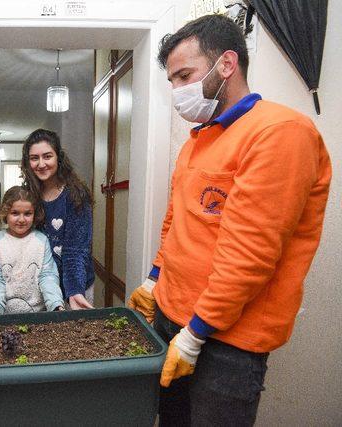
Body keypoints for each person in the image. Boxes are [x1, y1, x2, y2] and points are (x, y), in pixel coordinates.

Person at [127, 15, 331, 426]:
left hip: (223, 343)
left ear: (226, 64)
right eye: (171, 81)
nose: (177, 91)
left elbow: (250, 255)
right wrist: (154, 278)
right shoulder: (198, 141)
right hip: (172, 318)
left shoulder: (280, 133)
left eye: (184, 75)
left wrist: (196, 332)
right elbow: (177, 222)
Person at [21, 129, 95, 310]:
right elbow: (19, 237)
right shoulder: (27, 195)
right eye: (34, 158)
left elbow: (76, 250)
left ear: (58, 158)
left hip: (74, 288)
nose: (41, 164)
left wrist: (74, 290)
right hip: (38, 288)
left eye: (47, 156)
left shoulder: (76, 195)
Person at [0, 186, 64, 314]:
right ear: (6, 213)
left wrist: (55, 303)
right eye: (15, 213)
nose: (21, 220)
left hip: (39, 313)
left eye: (27, 214)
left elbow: (48, 275)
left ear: (34, 214)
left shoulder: (41, 240)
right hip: (4, 314)